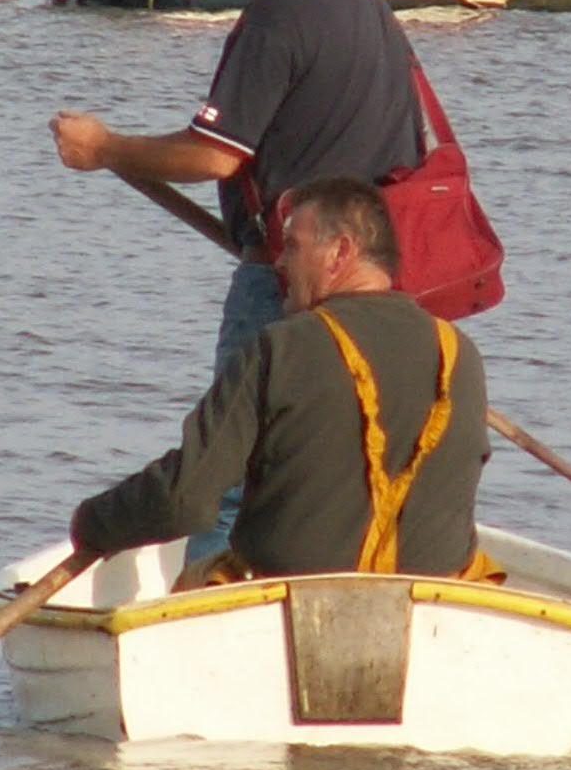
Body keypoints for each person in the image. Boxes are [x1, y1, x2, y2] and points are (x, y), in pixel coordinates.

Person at [50, 0, 424, 554]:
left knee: (225, 476)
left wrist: (105, 147)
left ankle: (206, 600)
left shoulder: (279, 16)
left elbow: (214, 154)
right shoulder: (373, 11)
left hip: (283, 284)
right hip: (371, 296)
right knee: (329, 473)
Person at [68, 178, 489, 580]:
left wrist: (92, 522)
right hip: (433, 603)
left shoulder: (280, 347)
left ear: (340, 252)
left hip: (287, 600)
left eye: (291, 245)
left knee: (199, 578)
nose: (279, 262)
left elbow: (184, 499)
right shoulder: (461, 354)